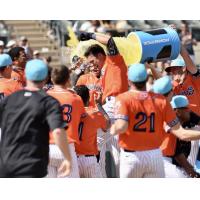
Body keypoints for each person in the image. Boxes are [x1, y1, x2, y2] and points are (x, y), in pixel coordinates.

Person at [111, 63, 200, 178]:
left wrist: (114, 128)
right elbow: (181, 133)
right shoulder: (160, 102)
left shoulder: (124, 98)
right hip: (155, 156)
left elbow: (121, 126)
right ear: (147, 79)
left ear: (129, 81)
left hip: (132, 156)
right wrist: (152, 68)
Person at [0, 59, 71, 178]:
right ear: (46, 78)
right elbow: (58, 131)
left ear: (26, 75)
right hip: (33, 165)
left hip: (6, 164)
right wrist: (68, 158)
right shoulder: (49, 102)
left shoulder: (9, 99)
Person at [78, 31, 128, 177]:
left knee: (91, 141)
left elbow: (111, 41)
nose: (92, 65)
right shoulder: (103, 71)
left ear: (100, 56)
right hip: (115, 107)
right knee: (117, 155)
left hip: (116, 103)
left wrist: (90, 35)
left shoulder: (113, 61)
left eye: (93, 61)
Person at [47, 65, 85, 178]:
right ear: (68, 79)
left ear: (52, 79)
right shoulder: (76, 98)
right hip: (67, 146)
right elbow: (83, 116)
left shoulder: (44, 97)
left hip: (47, 146)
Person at [153, 76, 187, 178]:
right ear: (171, 92)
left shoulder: (153, 106)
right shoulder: (164, 111)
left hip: (148, 157)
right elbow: (183, 134)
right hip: (161, 160)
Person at [74, 85, 110, 178]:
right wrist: (98, 104)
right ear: (88, 98)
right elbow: (107, 124)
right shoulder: (94, 113)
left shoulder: (70, 113)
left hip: (73, 158)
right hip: (89, 159)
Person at [165, 45, 200, 115]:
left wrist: (178, 44)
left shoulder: (193, 78)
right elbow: (161, 85)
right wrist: (151, 68)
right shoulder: (174, 85)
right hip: (183, 121)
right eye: (171, 70)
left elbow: (187, 58)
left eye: (175, 68)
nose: (172, 71)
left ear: (183, 68)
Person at [170, 95, 200, 178]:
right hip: (167, 164)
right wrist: (194, 174)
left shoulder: (186, 116)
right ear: (178, 112)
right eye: (187, 109)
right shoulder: (171, 128)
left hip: (180, 164)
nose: (190, 110)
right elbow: (178, 156)